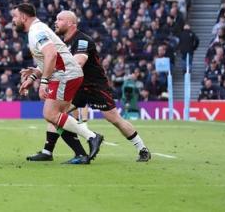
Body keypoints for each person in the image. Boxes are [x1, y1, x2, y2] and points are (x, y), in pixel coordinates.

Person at [23, 11, 149, 163]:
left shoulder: (82, 40)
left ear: (71, 23)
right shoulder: (62, 42)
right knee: (55, 114)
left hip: (95, 86)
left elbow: (78, 63)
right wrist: (36, 73)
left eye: (60, 19)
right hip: (75, 85)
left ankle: (142, 148)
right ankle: (48, 151)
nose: (55, 22)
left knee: (113, 118)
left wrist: (45, 74)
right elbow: (55, 60)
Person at [11, 3, 103, 165]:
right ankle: (80, 154)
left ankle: (92, 137)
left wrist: (44, 81)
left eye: (15, 17)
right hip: (67, 73)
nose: (13, 20)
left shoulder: (37, 31)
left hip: (65, 74)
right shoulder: (38, 29)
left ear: (24, 17)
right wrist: (32, 78)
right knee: (58, 117)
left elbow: (51, 54)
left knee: (50, 114)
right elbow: (47, 59)